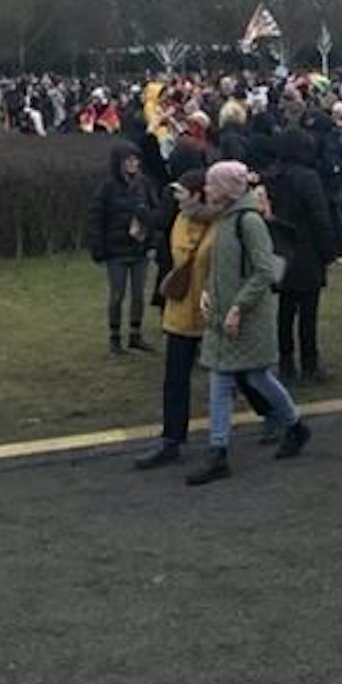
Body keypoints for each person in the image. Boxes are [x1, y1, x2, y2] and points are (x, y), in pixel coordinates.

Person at [186, 161, 310, 485]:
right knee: (244, 377)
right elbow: (223, 266)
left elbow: (264, 270)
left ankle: (221, 451)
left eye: (212, 185)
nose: (207, 190)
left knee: (238, 377)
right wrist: (208, 294)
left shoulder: (248, 221)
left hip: (245, 316)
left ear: (227, 189)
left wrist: (238, 307)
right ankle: (290, 426)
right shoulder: (227, 219)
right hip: (225, 314)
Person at [135, 170, 213, 470]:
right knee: (175, 379)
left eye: (181, 192)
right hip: (180, 309)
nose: (175, 197)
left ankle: (276, 415)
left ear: (197, 195)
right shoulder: (178, 220)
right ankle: (172, 440)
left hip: (210, 311)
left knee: (241, 374)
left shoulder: (218, 225)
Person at [267, 127, 342, 382]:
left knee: (285, 309)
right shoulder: (308, 178)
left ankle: (286, 361)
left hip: (280, 248)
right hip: (307, 250)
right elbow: (319, 216)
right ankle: (310, 363)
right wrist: (329, 250)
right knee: (308, 312)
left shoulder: (273, 176)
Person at [87, 140, 156, 356]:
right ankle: (114, 336)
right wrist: (99, 249)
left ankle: (135, 333)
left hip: (139, 248)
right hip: (116, 250)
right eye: (129, 160)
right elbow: (96, 218)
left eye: (136, 160)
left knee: (138, 295)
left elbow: (155, 213)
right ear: (119, 162)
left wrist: (151, 240)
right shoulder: (107, 187)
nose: (134, 163)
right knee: (117, 294)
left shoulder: (144, 184)